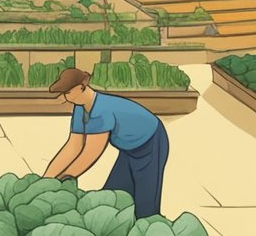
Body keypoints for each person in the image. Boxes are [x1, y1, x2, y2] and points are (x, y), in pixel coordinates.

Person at [42, 66, 169, 219]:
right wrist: (47, 179)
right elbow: (73, 146)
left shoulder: (101, 111)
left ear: (81, 87)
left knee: (145, 206)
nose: (65, 97)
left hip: (151, 142)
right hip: (129, 149)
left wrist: (66, 176)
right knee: (114, 196)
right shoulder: (80, 108)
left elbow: (91, 152)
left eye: (68, 92)